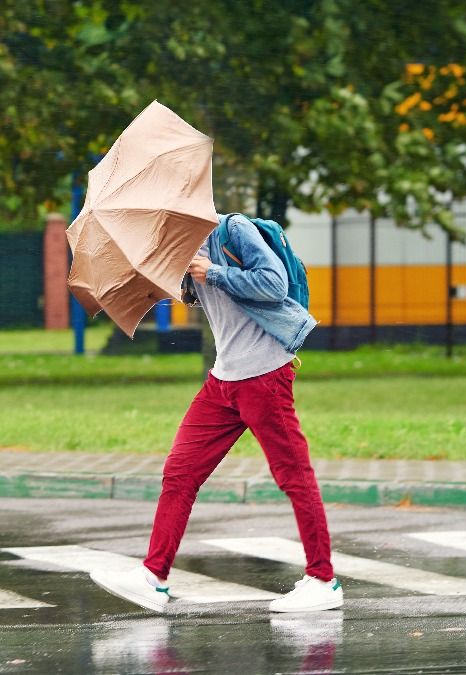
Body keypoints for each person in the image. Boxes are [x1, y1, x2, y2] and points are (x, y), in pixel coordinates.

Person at [90, 212, 341, 613]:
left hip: (264, 376)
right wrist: (173, 280)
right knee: (180, 472)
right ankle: (152, 577)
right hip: (223, 381)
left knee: (293, 475)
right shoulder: (180, 248)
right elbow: (201, 297)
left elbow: (273, 284)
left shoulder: (233, 230)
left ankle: (323, 580)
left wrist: (215, 272)